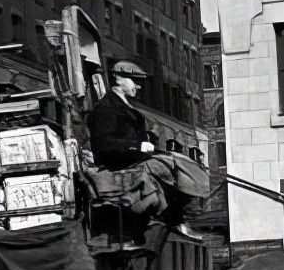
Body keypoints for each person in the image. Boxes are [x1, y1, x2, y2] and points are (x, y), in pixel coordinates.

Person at [87, 60, 209, 237]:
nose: (139, 86)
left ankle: (189, 203)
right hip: (119, 168)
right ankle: (189, 205)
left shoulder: (123, 106)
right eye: (135, 81)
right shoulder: (105, 109)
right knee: (171, 164)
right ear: (119, 80)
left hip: (133, 162)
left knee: (175, 159)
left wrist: (148, 140)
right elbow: (105, 145)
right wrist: (137, 146)